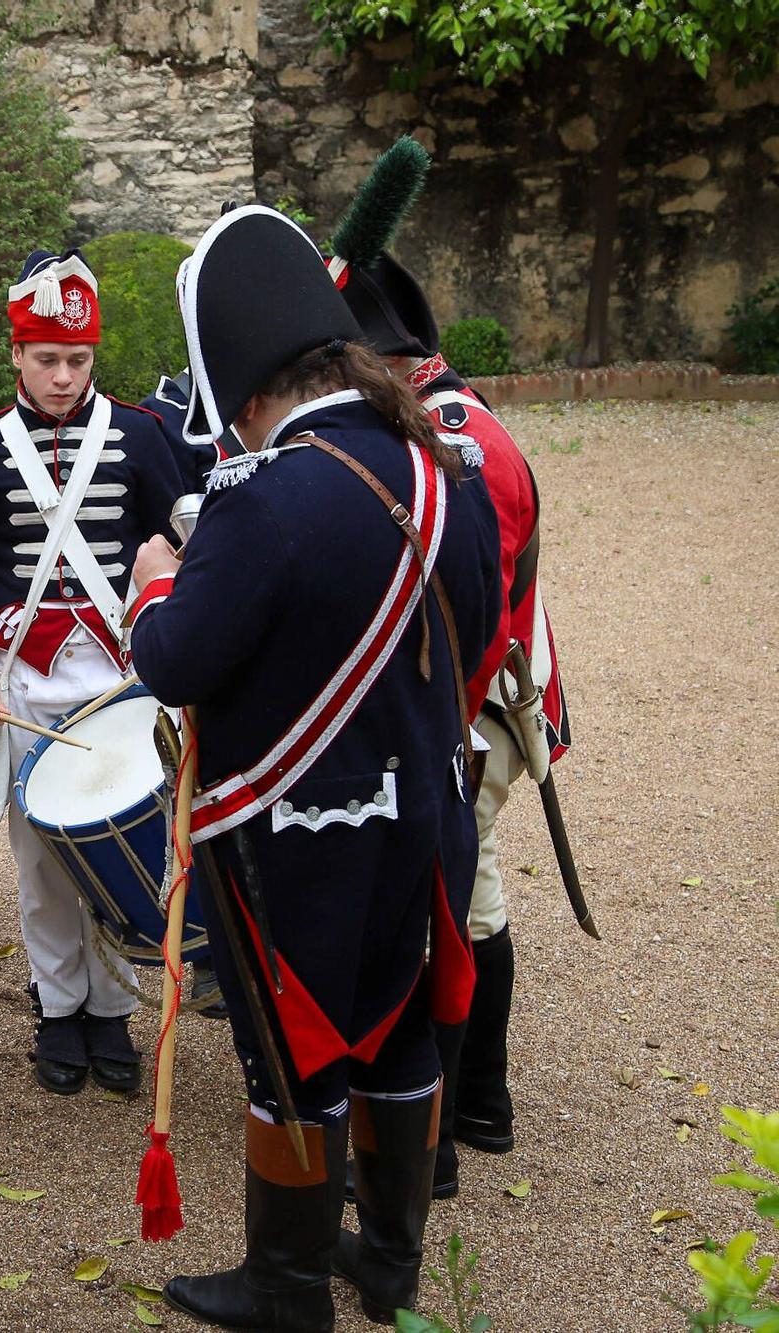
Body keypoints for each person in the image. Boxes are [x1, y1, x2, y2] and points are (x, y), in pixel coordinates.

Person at [125, 205, 499, 1330]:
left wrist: (154, 575)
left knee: (289, 1057)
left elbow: (172, 659)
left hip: (294, 830)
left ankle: (286, 1289)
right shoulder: (446, 468)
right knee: (395, 1030)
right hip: (427, 813)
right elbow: (472, 637)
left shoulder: (265, 499)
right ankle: (386, 1262)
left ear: (244, 389)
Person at [327, 138, 571, 1187]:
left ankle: (437, 1139)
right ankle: (479, 1102)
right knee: (471, 895)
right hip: (461, 708)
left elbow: (469, 620)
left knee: (444, 905)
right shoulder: (425, 423)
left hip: (472, 712)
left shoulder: (461, 447)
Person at [0, 250, 185, 1097]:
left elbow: (176, 548)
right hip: (23, 680)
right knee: (40, 861)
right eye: (47, 359)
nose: (64, 376)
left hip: (119, 674)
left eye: (77, 360)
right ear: (17, 356)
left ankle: (110, 1009)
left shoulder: (141, 436)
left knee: (122, 847)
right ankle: (58, 1005)